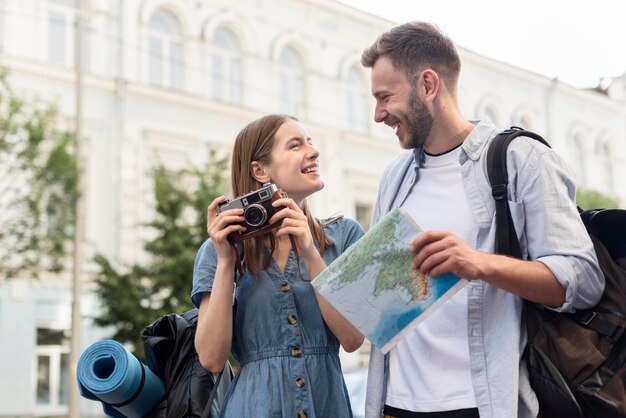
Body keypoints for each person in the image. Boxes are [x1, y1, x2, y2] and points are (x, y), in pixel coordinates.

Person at [360, 22, 604, 418]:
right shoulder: (395, 176)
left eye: (385, 97)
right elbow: (375, 304)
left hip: (481, 404)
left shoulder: (521, 159)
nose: (377, 114)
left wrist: (478, 264)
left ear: (428, 84)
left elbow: (582, 280)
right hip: (394, 403)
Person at [191, 114, 365, 418]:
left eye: (310, 143)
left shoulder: (344, 236)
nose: (313, 152)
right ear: (260, 170)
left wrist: (310, 252)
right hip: (253, 407)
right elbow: (211, 358)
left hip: (328, 406)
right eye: (295, 145)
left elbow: (353, 339)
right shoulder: (220, 249)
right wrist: (225, 263)